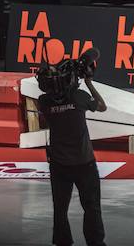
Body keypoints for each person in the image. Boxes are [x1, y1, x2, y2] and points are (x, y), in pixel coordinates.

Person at [35, 58, 107, 246]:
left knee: (60, 209)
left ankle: (62, 242)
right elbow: (102, 106)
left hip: (59, 165)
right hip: (84, 163)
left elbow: (44, 118)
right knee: (91, 208)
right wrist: (89, 83)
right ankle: (96, 243)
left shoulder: (43, 102)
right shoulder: (80, 97)